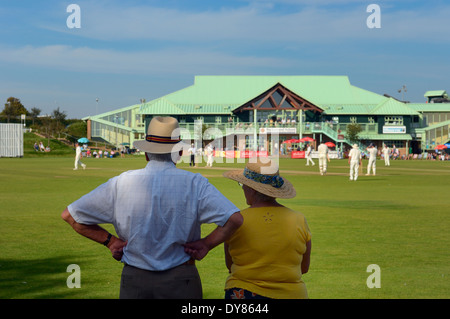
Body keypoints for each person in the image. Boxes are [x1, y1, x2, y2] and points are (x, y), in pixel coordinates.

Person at [62, 116, 243, 299]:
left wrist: (110, 241)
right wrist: (207, 244)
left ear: (146, 153)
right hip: (181, 277)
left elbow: (70, 215)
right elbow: (234, 218)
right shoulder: (195, 183)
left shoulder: (121, 183)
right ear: (179, 153)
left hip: (135, 277)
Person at [221, 158, 311, 299]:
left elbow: (229, 264)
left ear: (250, 188)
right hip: (292, 294)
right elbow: (304, 268)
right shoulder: (298, 219)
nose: (243, 188)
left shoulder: (236, 220)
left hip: (244, 293)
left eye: (242, 184)